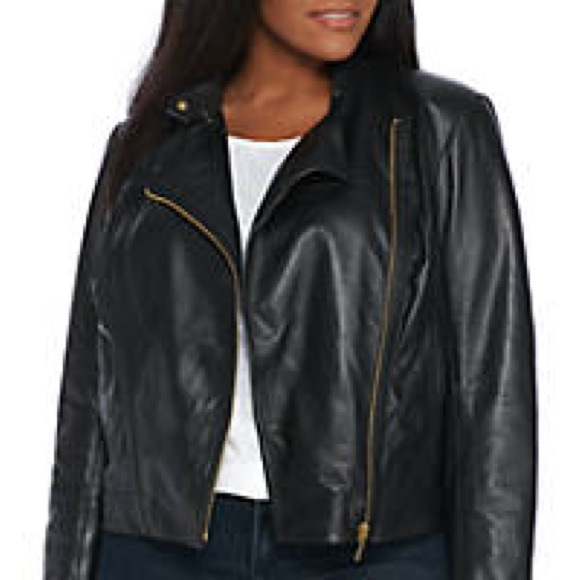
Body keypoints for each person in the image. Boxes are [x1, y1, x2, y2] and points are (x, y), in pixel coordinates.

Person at [42, 1, 538, 579]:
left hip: (370, 556)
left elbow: (492, 395)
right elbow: (87, 401)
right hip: (152, 553)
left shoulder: (436, 128)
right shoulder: (148, 146)